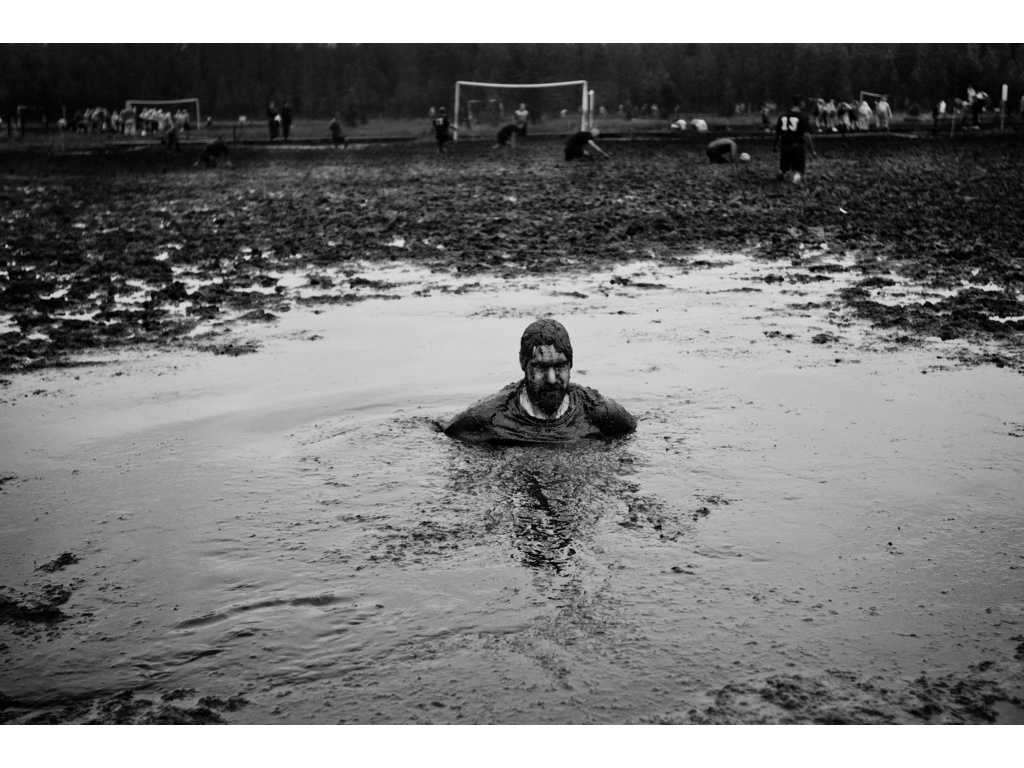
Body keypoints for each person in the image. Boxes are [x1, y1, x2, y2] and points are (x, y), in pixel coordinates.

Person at [443, 318, 637, 445]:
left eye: (560, 366)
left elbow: (631, 436)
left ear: (571, 364)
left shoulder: (601, 413)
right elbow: (447, 432)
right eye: (541, 368)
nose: (552, 379)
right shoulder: (489, 418)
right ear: (523, 365)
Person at [772, 95, 816, 184]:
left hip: (784, 147)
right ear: (801, 103)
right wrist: (812, 150)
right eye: (803, 103)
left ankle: (781, 173)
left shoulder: (782, 116)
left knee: (783, 169)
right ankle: (796, 177)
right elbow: (807, 135)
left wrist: (775, 145)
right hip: (797, 147)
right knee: (799, 170)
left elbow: (777, 133)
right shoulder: (803, 117)